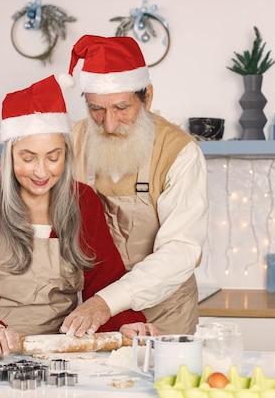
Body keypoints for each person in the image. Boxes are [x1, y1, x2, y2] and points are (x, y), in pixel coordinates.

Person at [0, 75, 157, 357]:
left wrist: (126, 323)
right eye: (28, 158)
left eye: (53, 158)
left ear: (67, 153)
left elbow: (105, 281)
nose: (41, 172)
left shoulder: (83, 200)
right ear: (10, 153)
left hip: (62, 350)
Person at [61, 35, 209, 336]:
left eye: (121, 108)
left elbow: (180, 250)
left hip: (162, 315)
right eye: (96, 110)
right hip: (86, 312)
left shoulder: (179, 152)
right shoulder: (70, 142)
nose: (109, 124)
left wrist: (107, 302)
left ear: (147, 97)